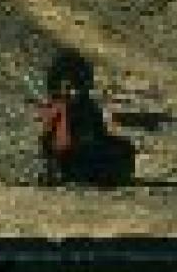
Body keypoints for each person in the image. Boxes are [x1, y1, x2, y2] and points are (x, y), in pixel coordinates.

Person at [37, 49, 136, 187]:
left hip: (87, 153)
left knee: (123, 148)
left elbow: (100, 133)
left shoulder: (87, 106)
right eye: (68, 87)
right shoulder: (59, 108)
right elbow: (52, 142)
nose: (73, 91)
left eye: (76, 86)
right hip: (72, 158)